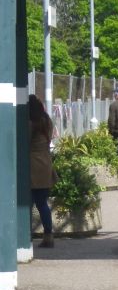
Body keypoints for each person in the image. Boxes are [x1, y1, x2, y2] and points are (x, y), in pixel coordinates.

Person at [28, 95, 56, 248]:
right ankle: (48, 235)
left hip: (31, 164)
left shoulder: (30, 123)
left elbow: (23, 142)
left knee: (27, 203)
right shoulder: (47, 121)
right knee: (42, 203)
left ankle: (25, 236)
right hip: (45, 163)